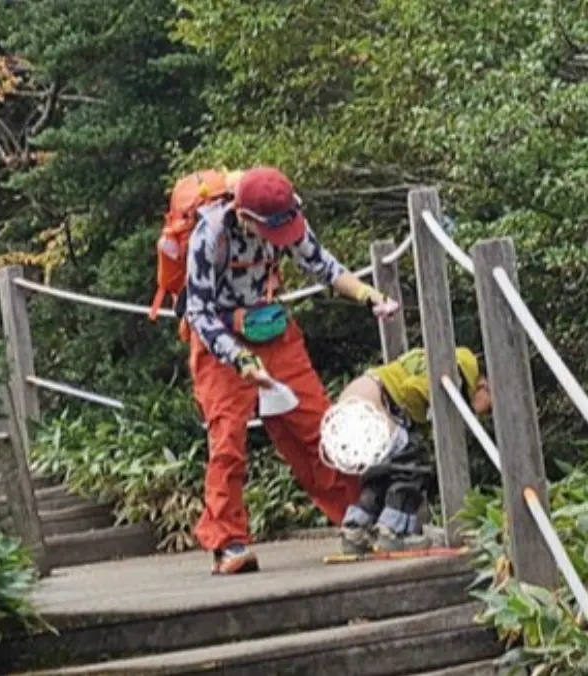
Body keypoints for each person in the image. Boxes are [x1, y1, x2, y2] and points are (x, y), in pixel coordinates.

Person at [180, 166, 401, 575]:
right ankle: (228, 542)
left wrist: (369, 296)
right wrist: (242, 362)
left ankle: (357, 519)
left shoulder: (287, 216)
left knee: (319, 426)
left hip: (272, 329)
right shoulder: (209, 234)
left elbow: (324, 266)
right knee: (227, 439)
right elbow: (198, 311)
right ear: (245, 216)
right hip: (220, 341)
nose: (281, 238)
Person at [337, 347, 491, 553]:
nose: (486, 413)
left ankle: (355, 529)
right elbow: (412, 390)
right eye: (490, 407)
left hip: (352, 401)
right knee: (413, 465)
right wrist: (421, 418)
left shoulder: (444, 358)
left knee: (381, 474)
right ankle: (393, 530)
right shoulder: (458, 371)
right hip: (375, 402)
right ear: (484, 385)